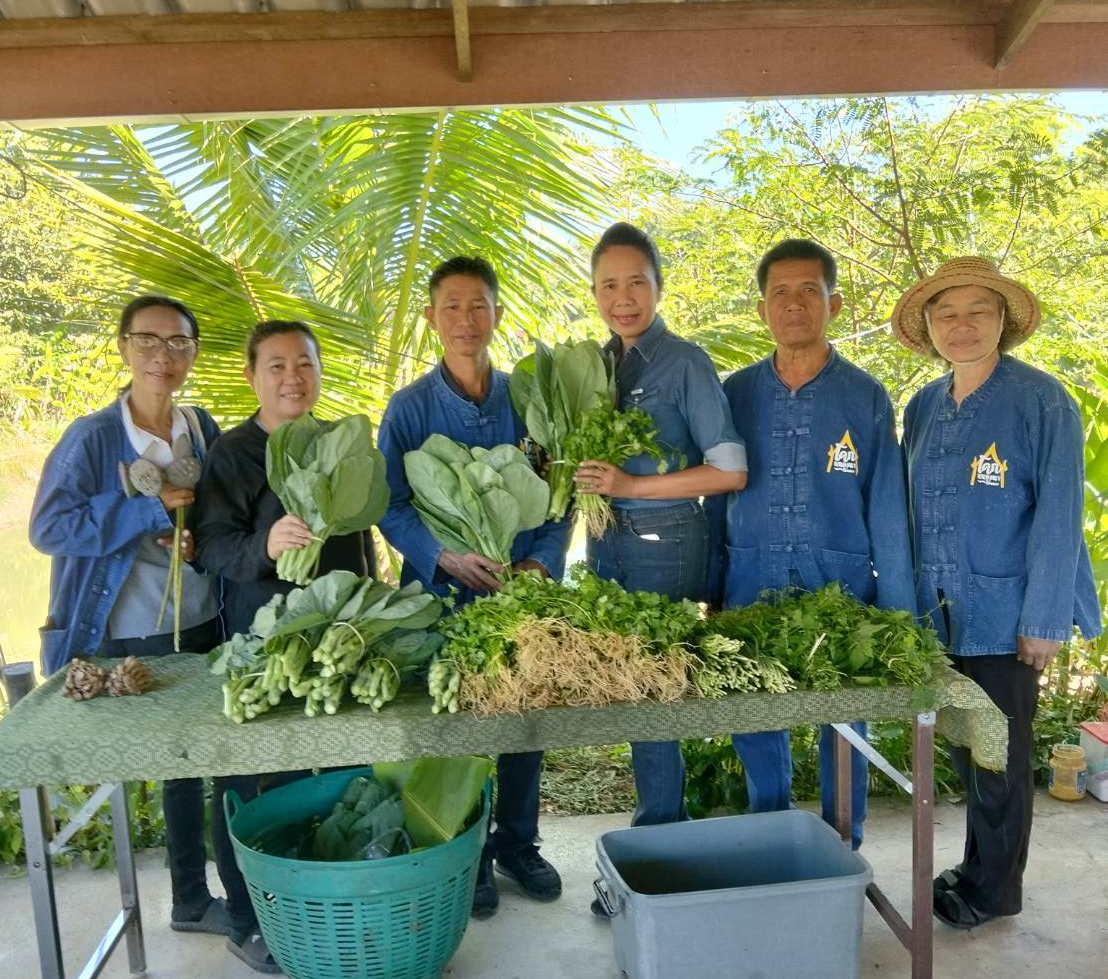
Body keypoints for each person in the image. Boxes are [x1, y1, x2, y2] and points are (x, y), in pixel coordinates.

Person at [894, 256, 1101, 929]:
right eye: (945, 314)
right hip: (939, 617)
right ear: (928, 328)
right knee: (964, 748)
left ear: (1003, 322)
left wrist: (1043, 618)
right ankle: (976, 867)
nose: (961, 325)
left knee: (1001, 762)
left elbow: (1059, 515)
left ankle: (994, 891)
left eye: (977, 311)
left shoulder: (1042, 401)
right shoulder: (923, 406)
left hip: (1008, 617)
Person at [29, 293, 236, 938]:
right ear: (123, 347)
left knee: (218, 760)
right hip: (127, 631)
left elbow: (219, 510)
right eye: (147, 340)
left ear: (193, 354)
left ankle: (225, 897)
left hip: (204, 618)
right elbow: (49, 527)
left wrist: (195, 533)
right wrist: (145, 513)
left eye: (178, 343)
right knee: (180, 766)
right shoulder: (92, 438)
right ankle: (191, 900)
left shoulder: (201, 427)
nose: (162, 356)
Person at [377, 255, 572, 920]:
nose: (466, 320)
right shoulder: (407, 410)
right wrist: (442, 557)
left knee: (524, 717)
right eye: (452, 306)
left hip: (522, 593)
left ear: (496, 312)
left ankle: (518, 843)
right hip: (443, 595)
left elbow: (559, 494)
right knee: (457, 725)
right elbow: (391, 505)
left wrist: (542, 564)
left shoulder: (529, 402)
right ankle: (470, 853)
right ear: (432, 317)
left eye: (478, 305)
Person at [705, 239, 916, 850]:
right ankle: (769, 830)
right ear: (763, 308)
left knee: (845, 719)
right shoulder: (735, 394)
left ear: (835, 303)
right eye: (779, 293)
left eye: (809, 291)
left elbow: (885, 506)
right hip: (751, 576)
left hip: (842, 583)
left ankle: (842, 841)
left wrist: (896, 609)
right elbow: (716, 496)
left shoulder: (865, 397)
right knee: (754, 706)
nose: (794, 304)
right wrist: (712, 586)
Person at [194, 320, 371, 970]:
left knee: (322, 776)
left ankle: (310, 902)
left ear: (319, 372)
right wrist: (262, 547)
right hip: (259, 644)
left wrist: (369, 610)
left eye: (304, 364)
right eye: (276, 366)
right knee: (245, 780)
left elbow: (357, 543)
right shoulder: (235, 453)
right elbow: (211, 546)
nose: (292, 377)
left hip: (333, 643)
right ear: (252, 376)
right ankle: (246, 918)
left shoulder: (338, 441)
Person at [574, 222, 746, 878]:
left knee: (654, 697)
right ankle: (660, 837)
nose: (623, 298)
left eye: (636, 283)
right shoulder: (595, 365)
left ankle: (662, 850)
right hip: (609, 546)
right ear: (594, 292)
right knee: (637, 695)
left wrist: (634, 485)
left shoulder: (685, 362)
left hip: (667, 543)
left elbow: (730, 469)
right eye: (609, 285)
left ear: (658, 287)